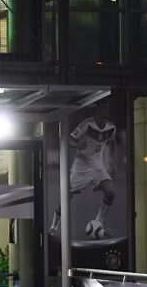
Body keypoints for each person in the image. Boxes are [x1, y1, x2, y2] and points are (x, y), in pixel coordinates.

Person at [49, 101, 117, 238]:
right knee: (67, 197)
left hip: (97, 164)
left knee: (110, 192)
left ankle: (99, 222)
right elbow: (70, 139)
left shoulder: (111, 127)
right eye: (104, 107)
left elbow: (112, 141)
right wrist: (78, 145)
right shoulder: (87, 125)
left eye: (107, 107)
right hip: (81, 164)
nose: (107, 110)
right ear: (97, 109)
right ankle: (53, 226)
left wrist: (112, 162)